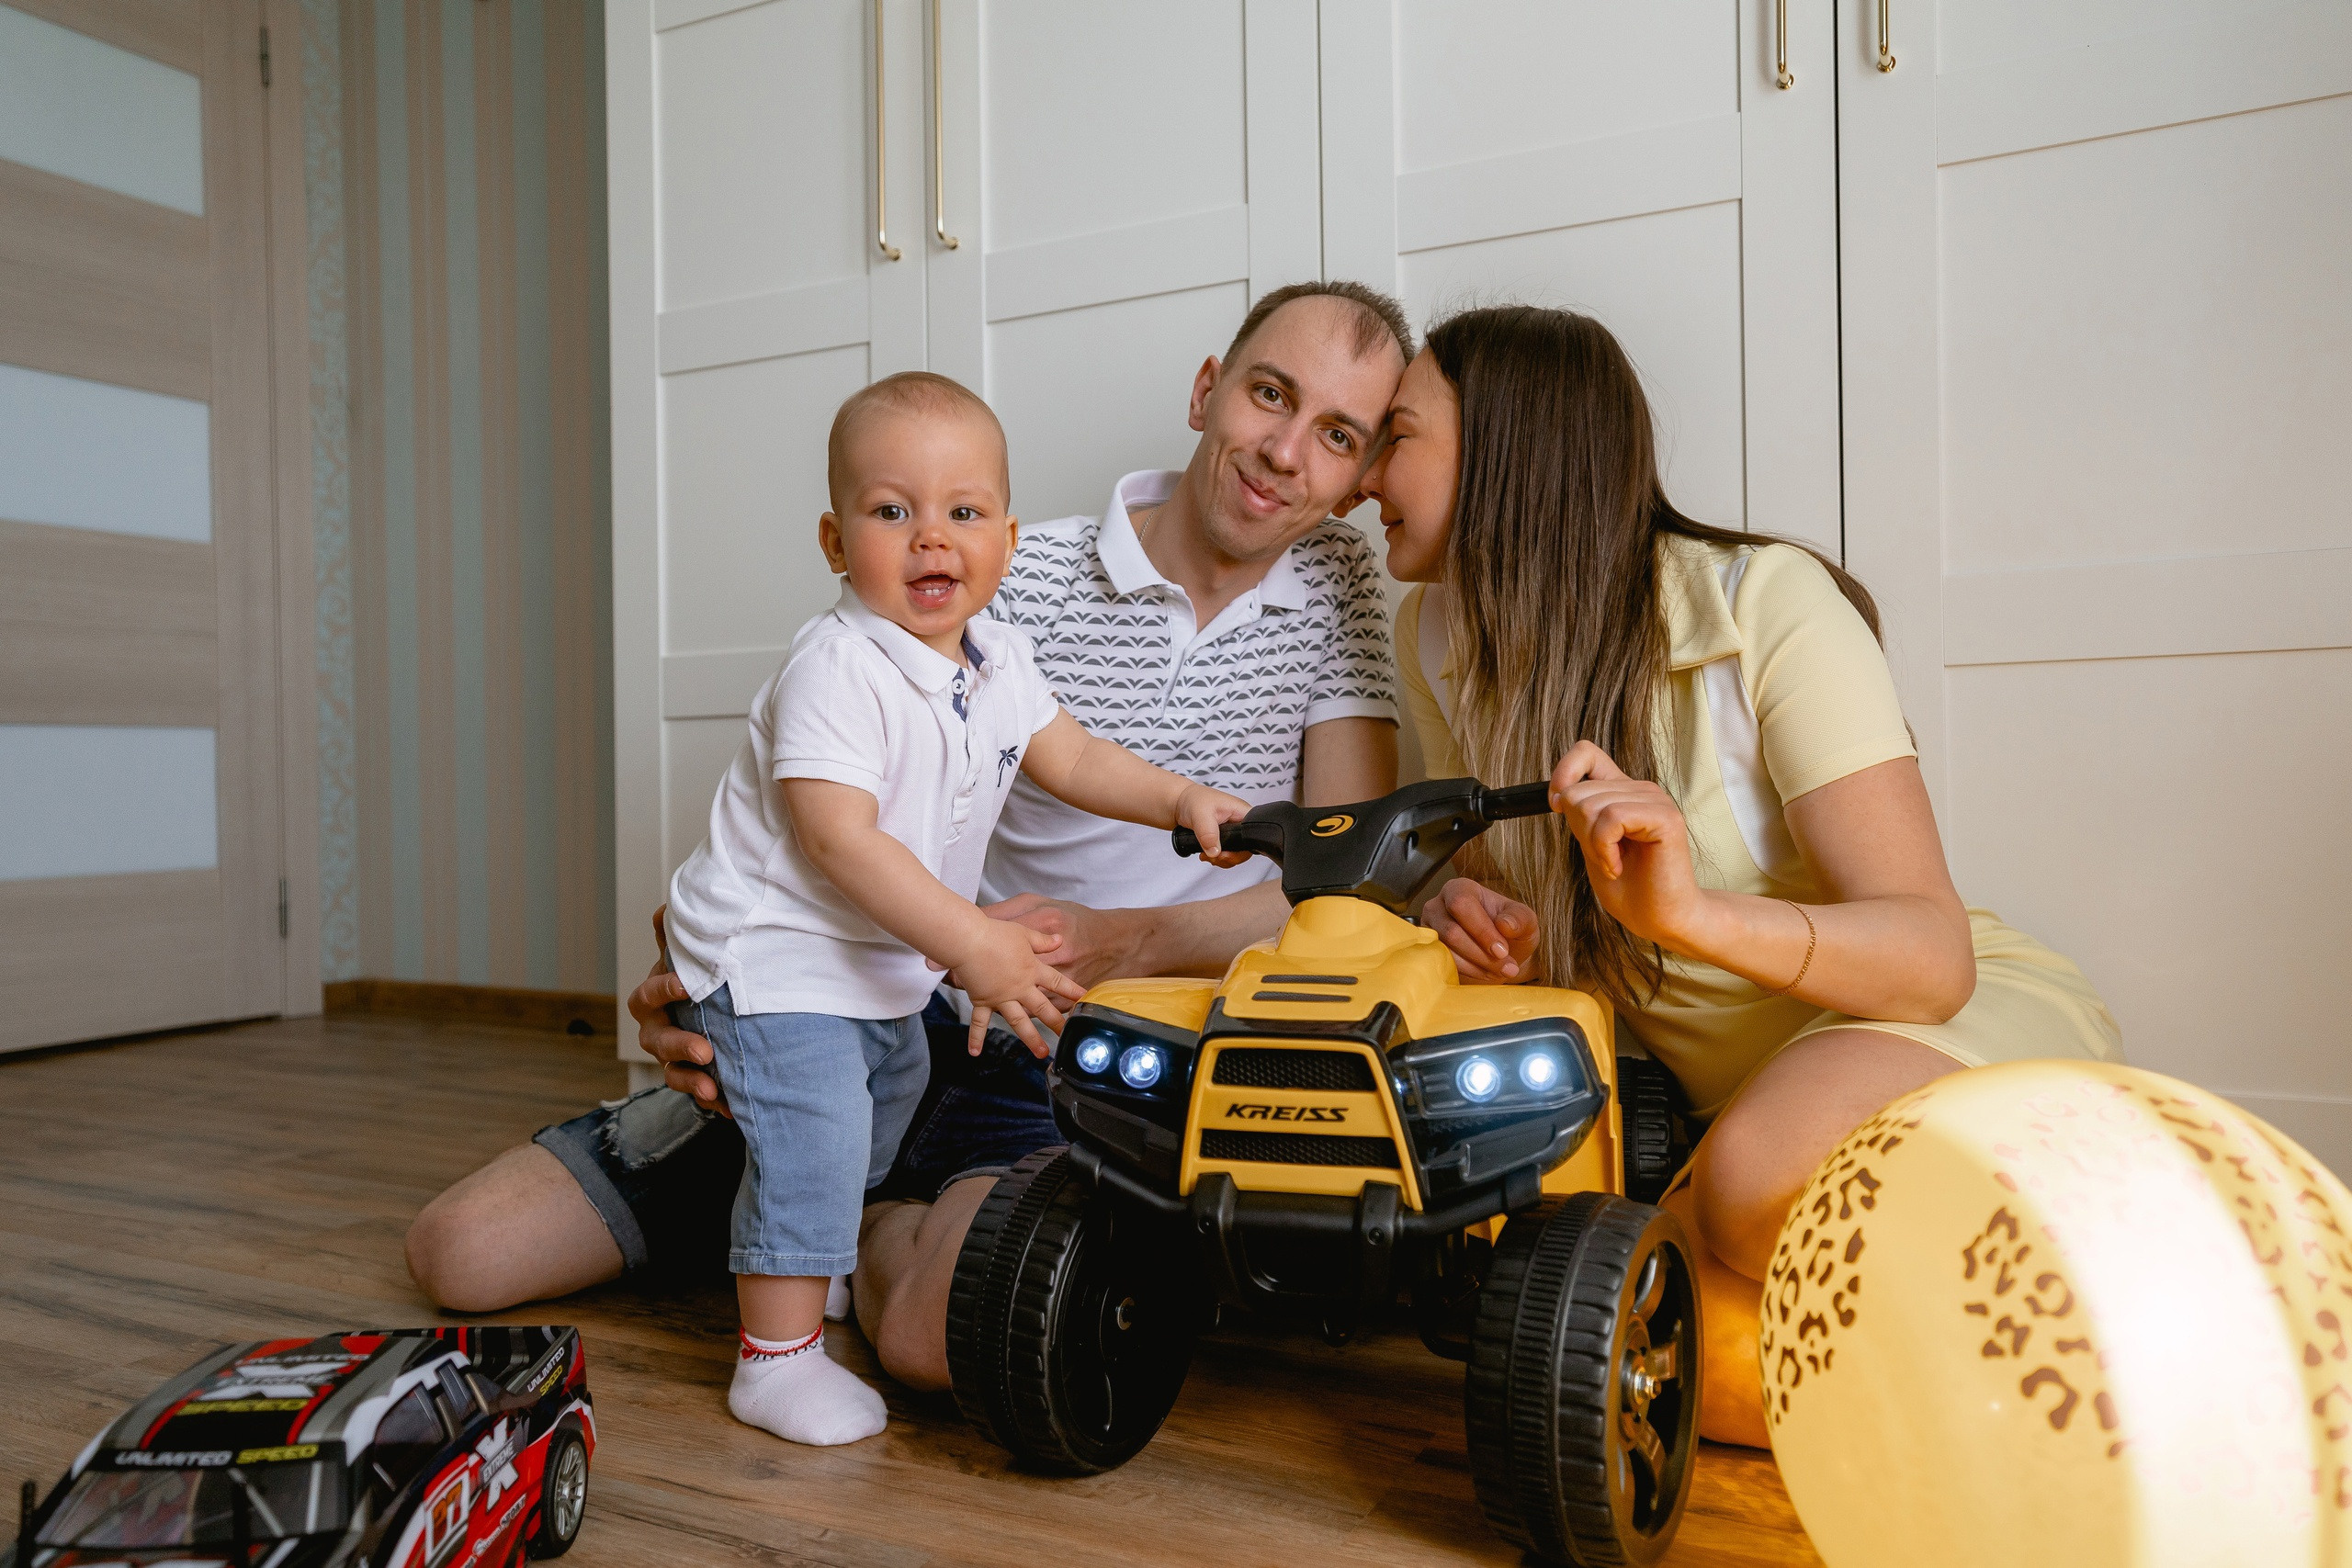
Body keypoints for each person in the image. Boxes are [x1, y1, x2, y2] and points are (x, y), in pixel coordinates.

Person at [401, 281, 1415, 1392]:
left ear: (1362, 481)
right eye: (1268, 395)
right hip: (866, 1000)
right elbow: (813, 809)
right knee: (462, 1253)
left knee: (938, 1335)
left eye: (1334, 435)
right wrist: (695, 965)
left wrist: (1117, 939)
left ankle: (819, 1227)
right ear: (1207, 390)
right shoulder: (991, 560)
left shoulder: (1335, 595)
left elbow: (1340, 893)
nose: (1281, 452)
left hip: (1038, 1045)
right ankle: (796, 1194)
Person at [1358, 303, 2121, 1446]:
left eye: (1394, 435)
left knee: (1745, 1190)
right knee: (1604, 1328)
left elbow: (1931, 954)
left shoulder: (1765, 606)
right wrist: (1469, 914)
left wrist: (1696, 915)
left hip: (1926, 1022)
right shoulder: (1435, 633)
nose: (1359, 474)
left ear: (1506, 444)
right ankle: (2003, 1364)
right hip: (1727, 1112)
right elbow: (1525, 909)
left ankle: (2094, 1249)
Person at [667, 370, 1255, 1446]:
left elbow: (1067, 753)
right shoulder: (838, 668)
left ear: (1009, 539)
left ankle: (813, 1253)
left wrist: (1175, 798)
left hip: (874, 971)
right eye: (892, 512)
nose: (930, 538)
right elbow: (838, 839)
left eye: (963, 512)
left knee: (885, 1102)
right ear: (834, 540)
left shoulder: (995, 660)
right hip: (775, 962)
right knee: (819, 1133)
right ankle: (777, 1356)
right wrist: (976, 942)